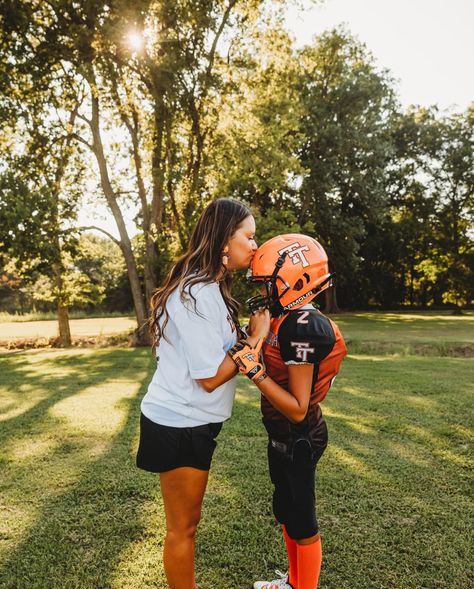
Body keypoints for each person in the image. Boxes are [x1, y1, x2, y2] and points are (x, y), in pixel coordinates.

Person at [136, 198, 270, 589]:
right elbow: (210, 377)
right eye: (249, 236)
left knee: (188, 524)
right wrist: (256, 339)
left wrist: (248, 338)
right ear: (224, 241)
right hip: (178, 421)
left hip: (195, 421)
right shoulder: (191, 293)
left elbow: (222, 356)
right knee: (183, 528)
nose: (255, 246)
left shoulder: (210, 288)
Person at [228, 234, 347, 589]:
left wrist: (255, 372)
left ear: (297, 279)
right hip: (282, 433)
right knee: (285, 510)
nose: (265, 293)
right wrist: (258, 340)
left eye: (269, 284)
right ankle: (294, 582)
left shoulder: (304, 327)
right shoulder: (286, 318)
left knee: (302, 520)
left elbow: (297, 409)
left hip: (300, 436)